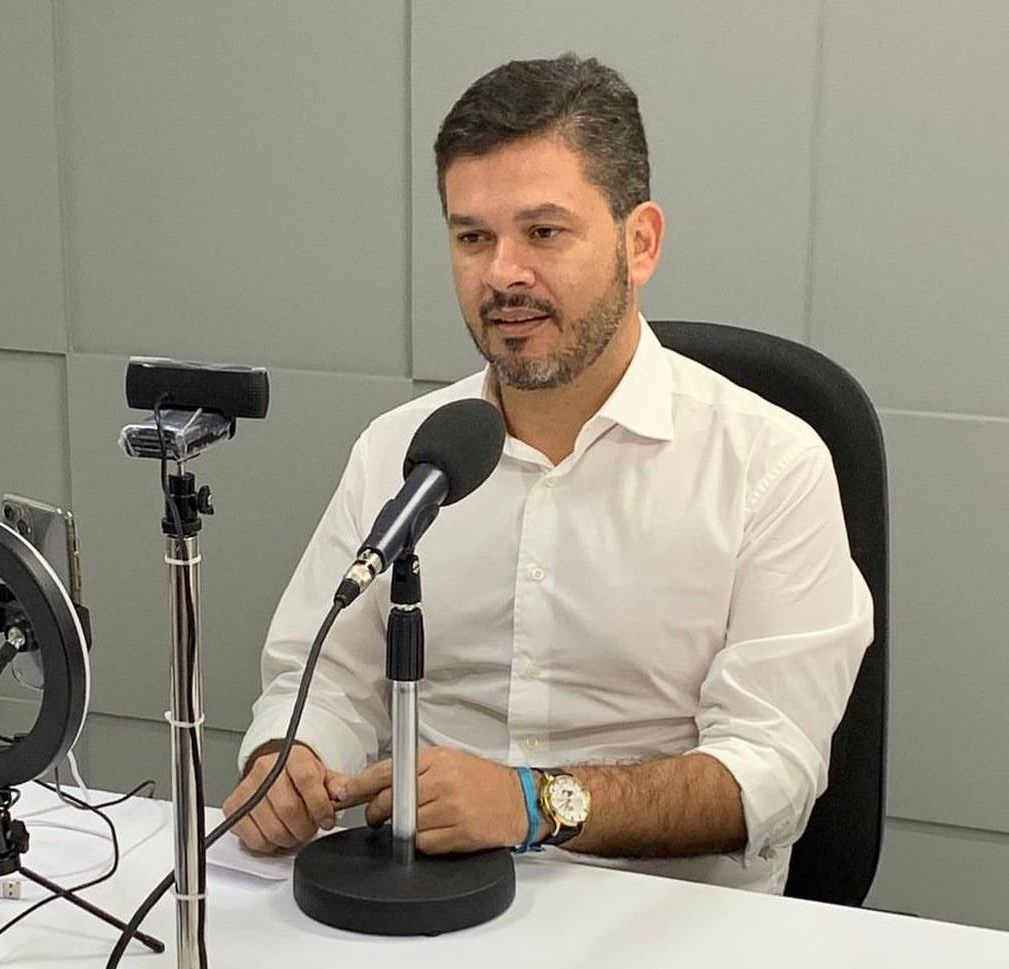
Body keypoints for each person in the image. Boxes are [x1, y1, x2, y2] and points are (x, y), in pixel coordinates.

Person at [223, 53, 872, 893]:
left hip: (670, 921)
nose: (503, 274)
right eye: (473, 237)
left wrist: (534, 803)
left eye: (544, 232)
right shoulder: (398, 451)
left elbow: (771, 768)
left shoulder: (770, 465)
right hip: (429, 906)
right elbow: (331, 679)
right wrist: (292, 754)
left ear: (640, 242)